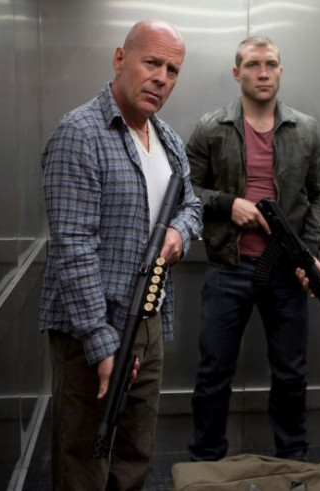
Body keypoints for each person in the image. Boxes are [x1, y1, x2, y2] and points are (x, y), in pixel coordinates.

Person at [39, 20, 202, 490]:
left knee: (134, 456)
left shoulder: (167, 139)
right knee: (85, 462)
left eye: (172, 70)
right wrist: (100, 341)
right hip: (91, 327)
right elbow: (73, 247)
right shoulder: (80, 132)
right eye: (151, 62)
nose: (161, 78)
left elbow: (191, 205)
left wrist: (179, 232)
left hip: (148, 322)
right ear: (119, 59)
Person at [186, 35, 320, 462]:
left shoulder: (306, 129)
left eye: (270, 64)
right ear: (237, 73)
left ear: (281, 71)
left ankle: (293, 460)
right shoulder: (211, 127)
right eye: (252, 65)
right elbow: (185, 189)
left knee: (291, 374)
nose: (262, 73)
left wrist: (308, 252)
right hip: (227, 267)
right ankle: (205, 464)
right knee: (213, 372)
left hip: (287, 270)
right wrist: (228, 204)